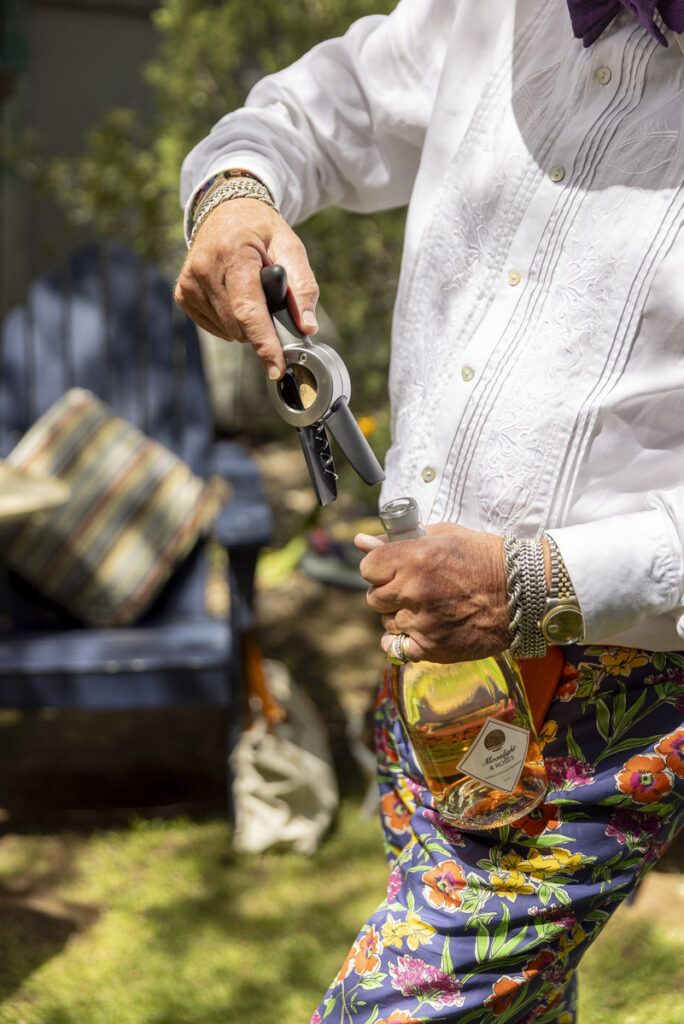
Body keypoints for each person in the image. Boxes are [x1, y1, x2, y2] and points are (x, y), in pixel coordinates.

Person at [175, 1, 684, 1020]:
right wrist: (234, 199)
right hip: (431, 671)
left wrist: (540, 582)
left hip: (616, 706)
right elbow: (315, 111)